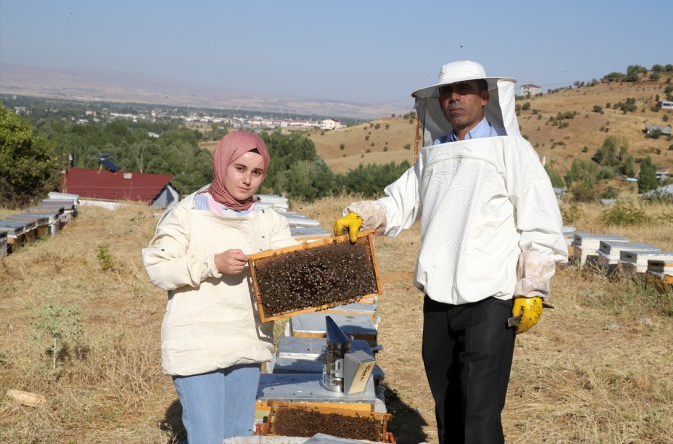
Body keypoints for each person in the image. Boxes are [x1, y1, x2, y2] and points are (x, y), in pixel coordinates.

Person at [334, 60, 567, 444]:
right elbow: (398, 203)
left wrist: (532, 289)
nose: (454, 98)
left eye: (464, 90)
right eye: (447, 92)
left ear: (485, 97)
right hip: (439, 298)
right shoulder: (434, 154)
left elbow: (540, 225)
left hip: (492, 299)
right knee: (448, 406)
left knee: (479, 413)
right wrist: (365, 215)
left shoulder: (513, 151)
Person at [142, 131, 296, 444]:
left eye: (257, 173)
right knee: (208, 439)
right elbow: (158, 268)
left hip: (246, 343)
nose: (248, 180)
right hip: (197, 344)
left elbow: (293, 267)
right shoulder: (186, 214)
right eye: (240, 169)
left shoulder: (269, 221)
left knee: (238, 438)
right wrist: (212, 263)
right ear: (222, 164)